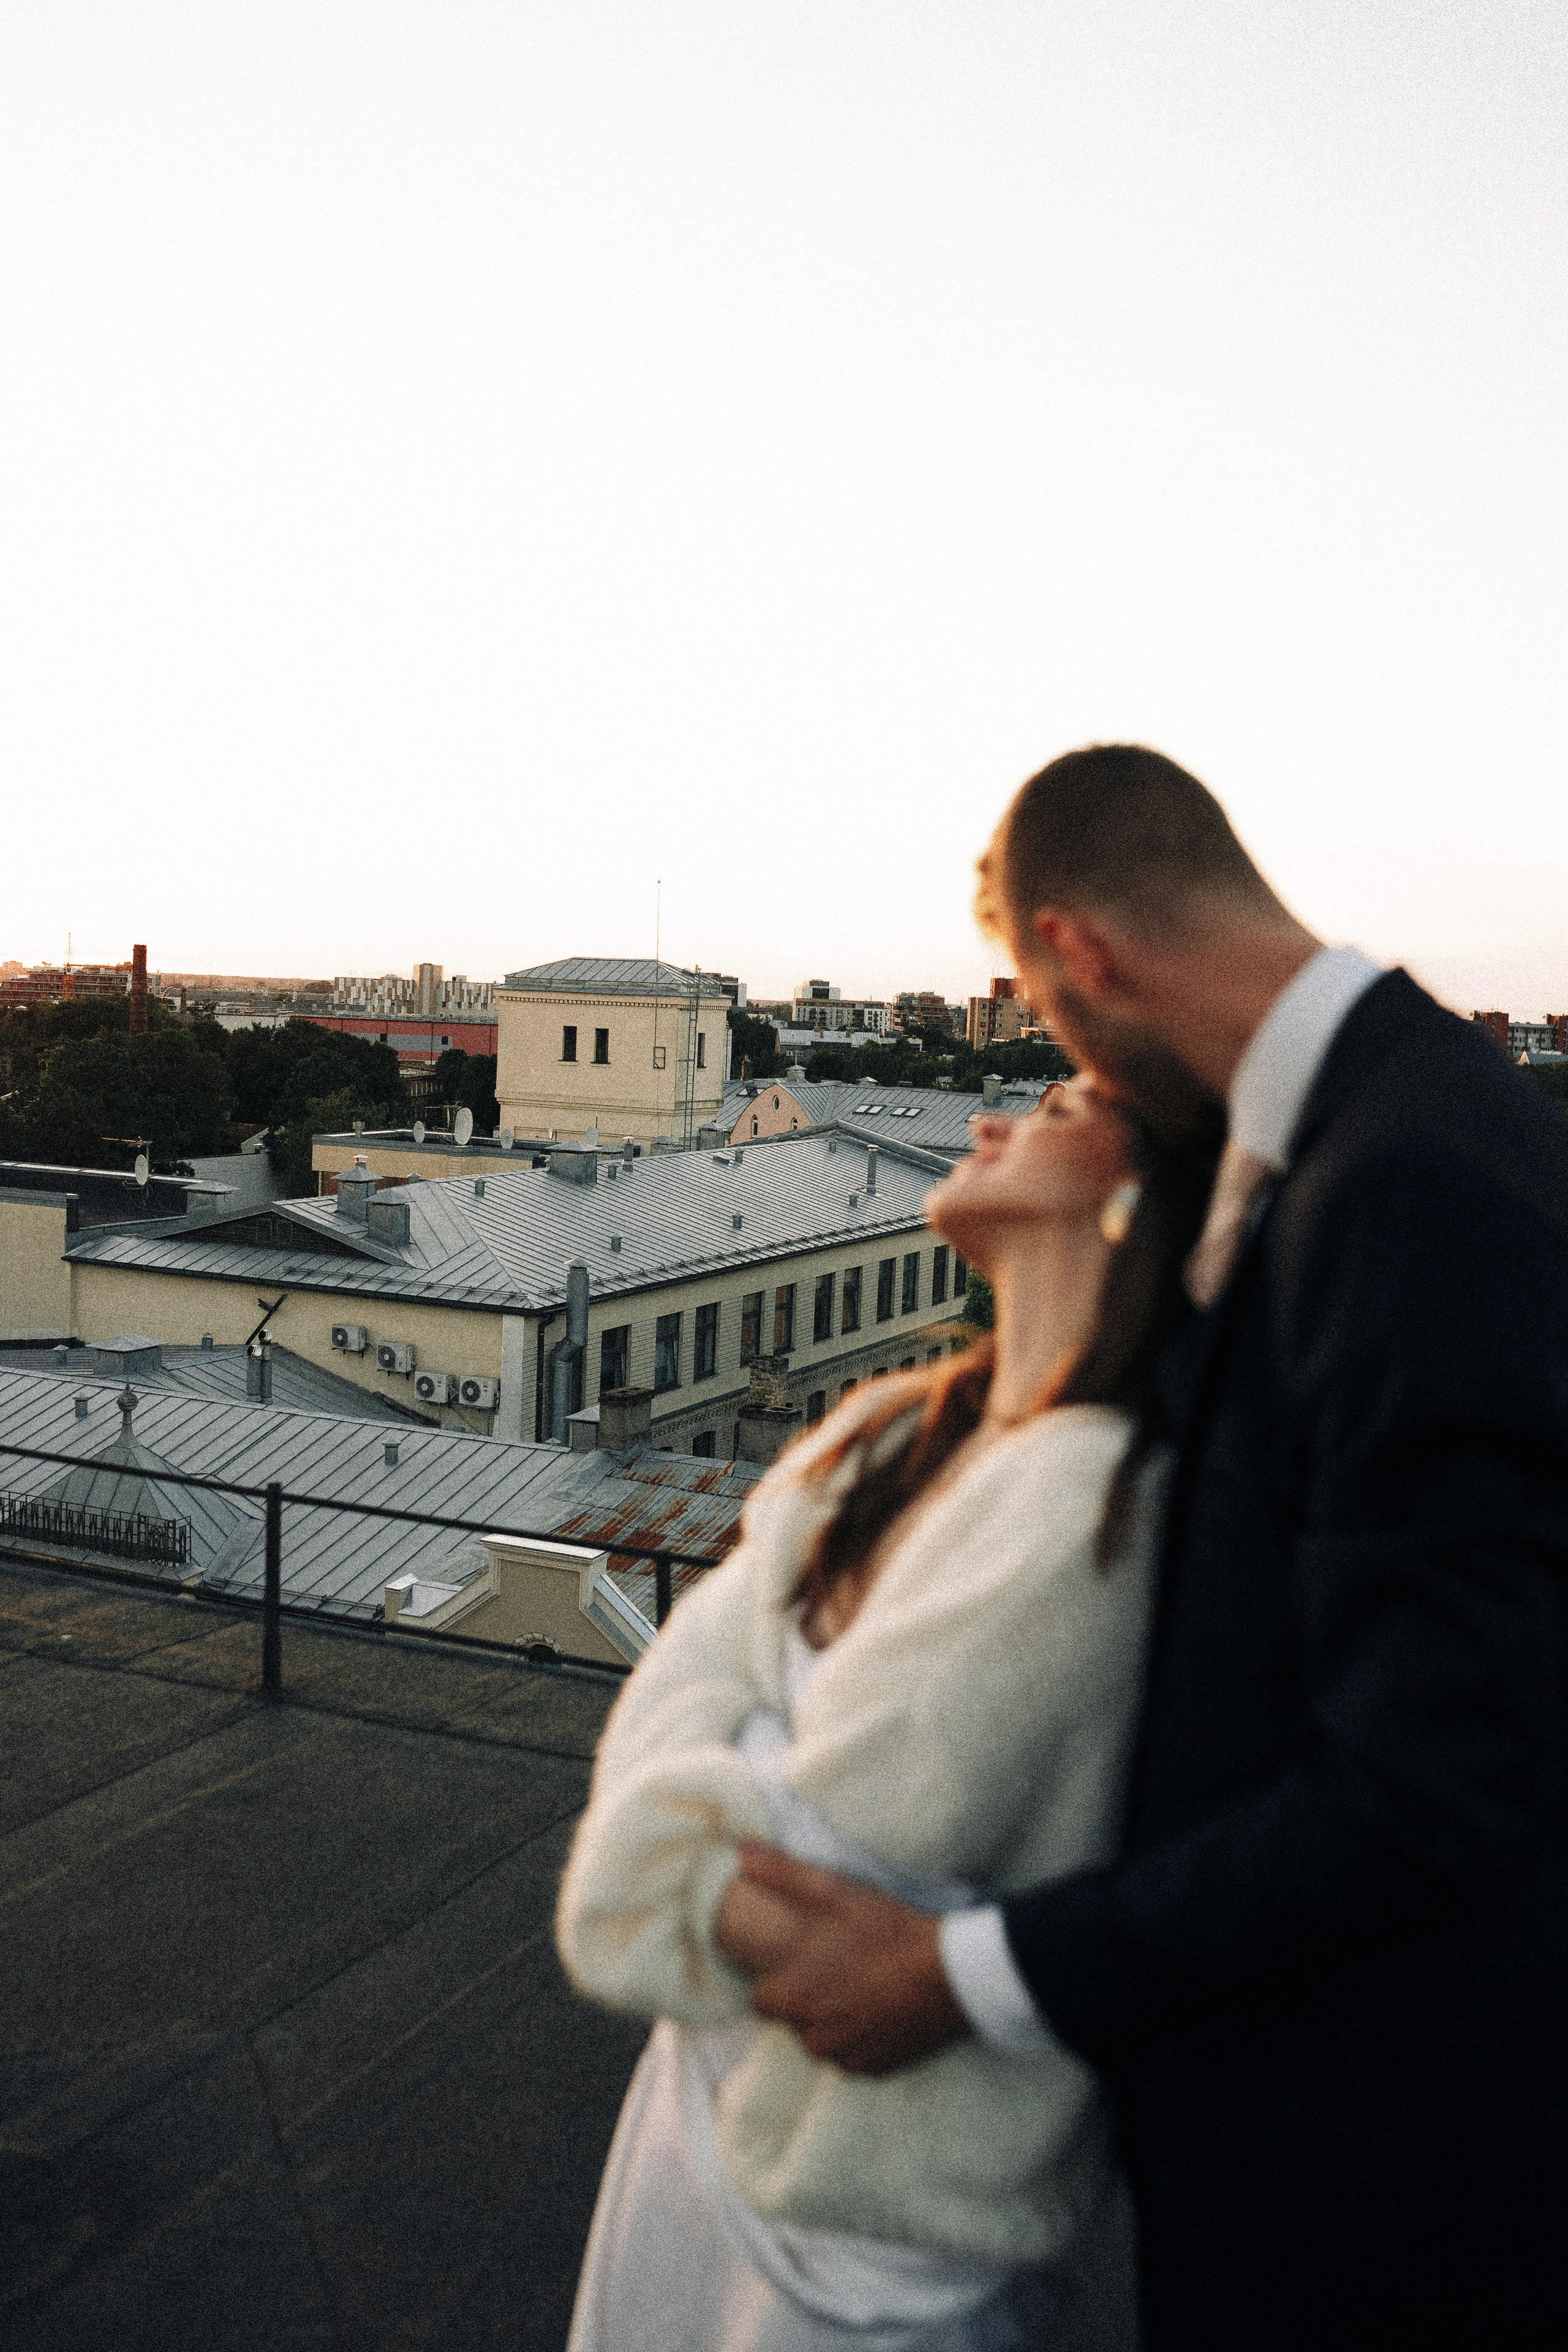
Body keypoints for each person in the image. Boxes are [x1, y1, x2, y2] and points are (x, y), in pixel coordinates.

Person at [728, 744, 1568, 2349]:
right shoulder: (1383, 1123)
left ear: (1087, 955)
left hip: (1379, 2190)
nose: (1077, 1074)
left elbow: (1433, 1778)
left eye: (1049, 1020)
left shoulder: (1402, 1189)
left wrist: (959, 1974)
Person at [556, 1076, 1215, 2351]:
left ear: (1144, 1198)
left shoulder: (1095, 1495)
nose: (989, 1120)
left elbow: (826, 1855)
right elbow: (665, 1698)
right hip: (692, 2121)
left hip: (857, 2213)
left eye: (1060, 1105)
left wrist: (677, 1830)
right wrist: (723, 1799)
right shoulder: (886, 1430)